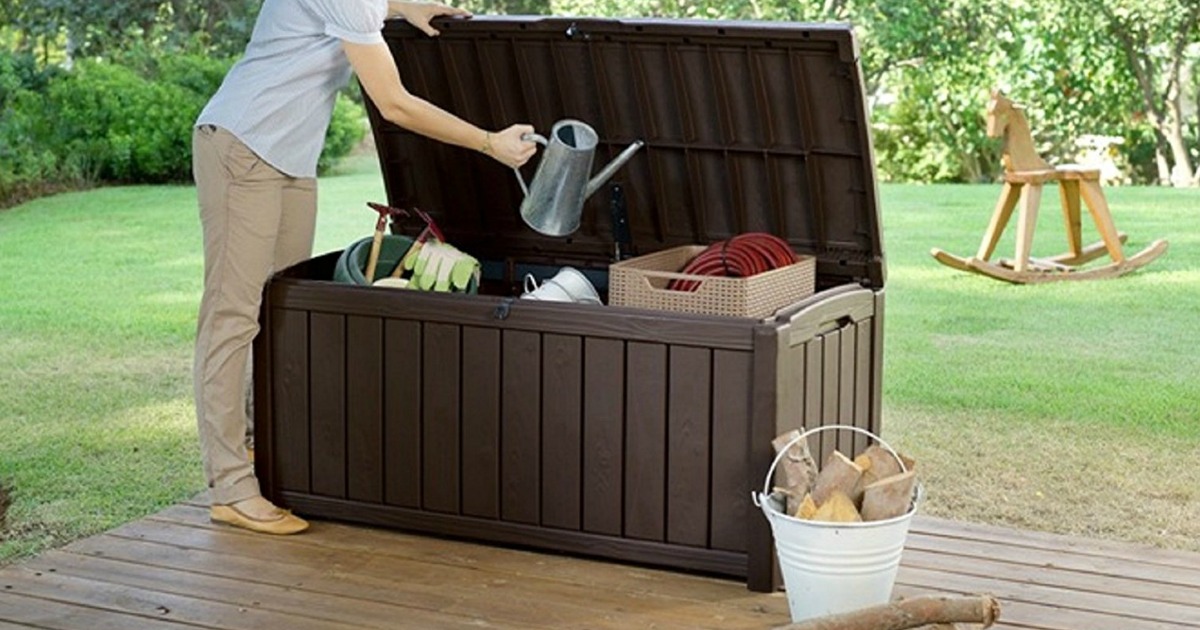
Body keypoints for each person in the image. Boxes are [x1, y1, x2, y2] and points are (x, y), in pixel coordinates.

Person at [192, 0, 537, 535]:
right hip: (244, 146)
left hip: (287, 159)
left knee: (279, 309)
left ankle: (262, 457)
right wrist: (489, 142)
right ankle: (230, 486)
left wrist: (404, 6)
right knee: (233, 316)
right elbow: (394, 104)